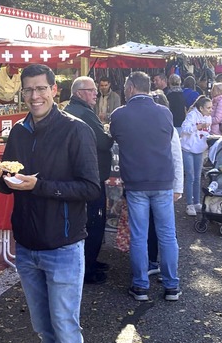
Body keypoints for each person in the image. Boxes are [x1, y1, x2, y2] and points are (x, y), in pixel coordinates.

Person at [0, 64, 99, 343]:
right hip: (27, 248)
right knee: (45, 331)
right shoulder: (20, 131)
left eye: (41, 88)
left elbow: (91, 188)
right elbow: (11, 181)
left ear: (54, 91)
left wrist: (41, 185)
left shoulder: (76, 130)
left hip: (63, 246)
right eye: (29, 89)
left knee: (66, 333)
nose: (35, 95)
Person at [110, 71, 182, 302]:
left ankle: (140, 285)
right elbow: (171, 144)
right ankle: (172, 286)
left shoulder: (119, 115)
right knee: (168, 236)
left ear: (130, 88)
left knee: (139, 236)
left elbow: (114, 140)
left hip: (136, 183)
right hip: (162, 181)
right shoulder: (165, 113)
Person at [64, 76, 114, 285]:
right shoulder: (84, 113)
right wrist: (110, 133)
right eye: (91, 90)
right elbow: (103, 142)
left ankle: (89, 261)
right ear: (79, 93)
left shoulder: (69, 110)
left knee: (84, 221)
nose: (96, 93)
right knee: (94, 222)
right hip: (91, 177)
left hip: (76, 175)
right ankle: (88, 268)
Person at [146, 91, 183, 280]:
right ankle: (156, 263)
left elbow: (176, 157)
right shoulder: (164, 125)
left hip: (161, 184)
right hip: (159, 184)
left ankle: (166, 268)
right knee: (157, 227)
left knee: (165, 229)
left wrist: (178, 187)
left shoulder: (169, 129)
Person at [180, 95, 212, 216]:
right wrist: (198, 126)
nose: (210, 110)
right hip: (188, 148)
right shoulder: (192, 115)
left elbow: (206, 132)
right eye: (208, 108)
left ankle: (197, 202)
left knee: (198, 177)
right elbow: (185, 128)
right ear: (201, 108)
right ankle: (189, 204)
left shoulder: (209, 118)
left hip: (199, 149)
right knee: (190, 176)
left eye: (211, 107)